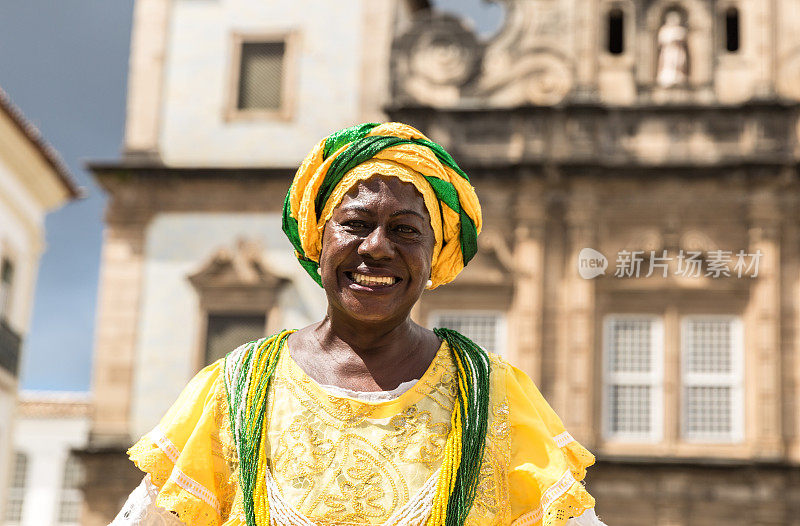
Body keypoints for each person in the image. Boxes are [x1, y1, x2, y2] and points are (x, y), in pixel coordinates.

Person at [110, 122, 607, 526]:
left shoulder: (495, 396)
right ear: (316, 237)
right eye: (355, 223)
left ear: (433, 256)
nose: (377, 247)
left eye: (405, 230)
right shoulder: (234, 391)